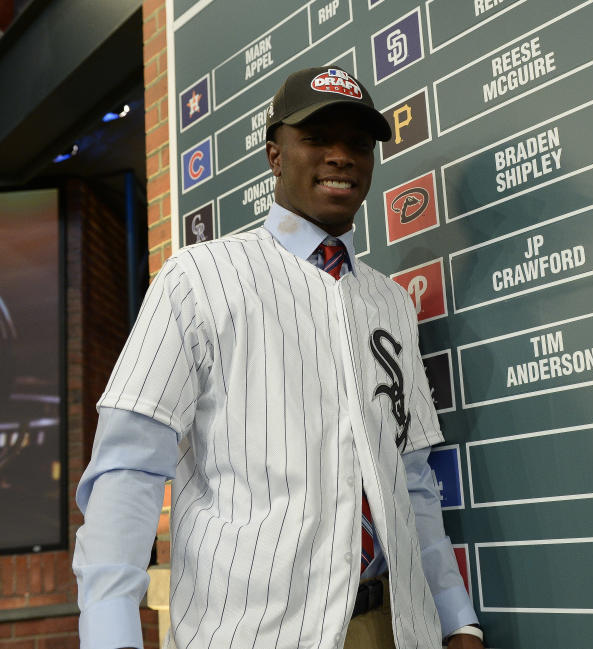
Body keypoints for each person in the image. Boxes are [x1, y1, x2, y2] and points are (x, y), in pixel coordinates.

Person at [72, 66, 484, 649]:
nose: (342, 156)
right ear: (275, 155)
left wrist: (455, 617)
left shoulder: (390, 302)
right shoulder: (198, 278)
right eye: (317, 138)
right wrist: (111, 636)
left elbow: (411, 481)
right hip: (254, 634)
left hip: (392, 625)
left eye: (358, 143)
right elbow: (128, 470)